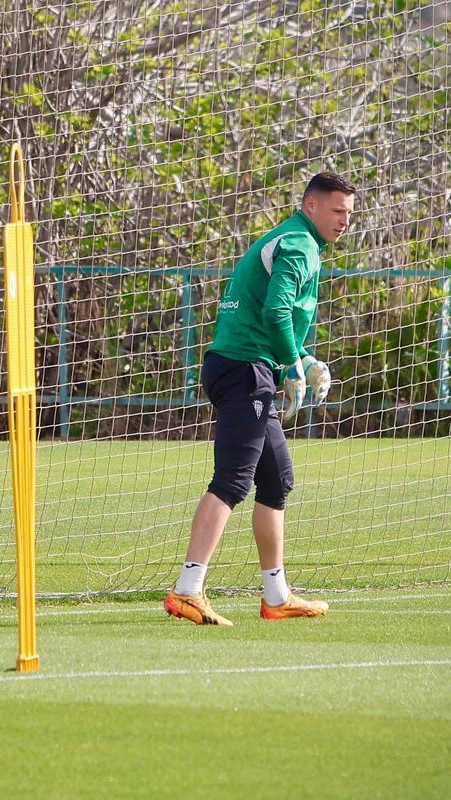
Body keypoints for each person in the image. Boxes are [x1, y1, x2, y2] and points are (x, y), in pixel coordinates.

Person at [164, 172, 357, 626]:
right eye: (336, 211)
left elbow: (269, 314)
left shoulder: (299, 243)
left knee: (277, 480)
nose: (344, 221)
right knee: (233, 480)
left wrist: (303, 359)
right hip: (244, 370)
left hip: (247, 367)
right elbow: (274, 312)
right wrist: (293, 364)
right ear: (310, 206)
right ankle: (187, 590)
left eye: (349, 213)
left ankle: (276, 596)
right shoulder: (296, 245)